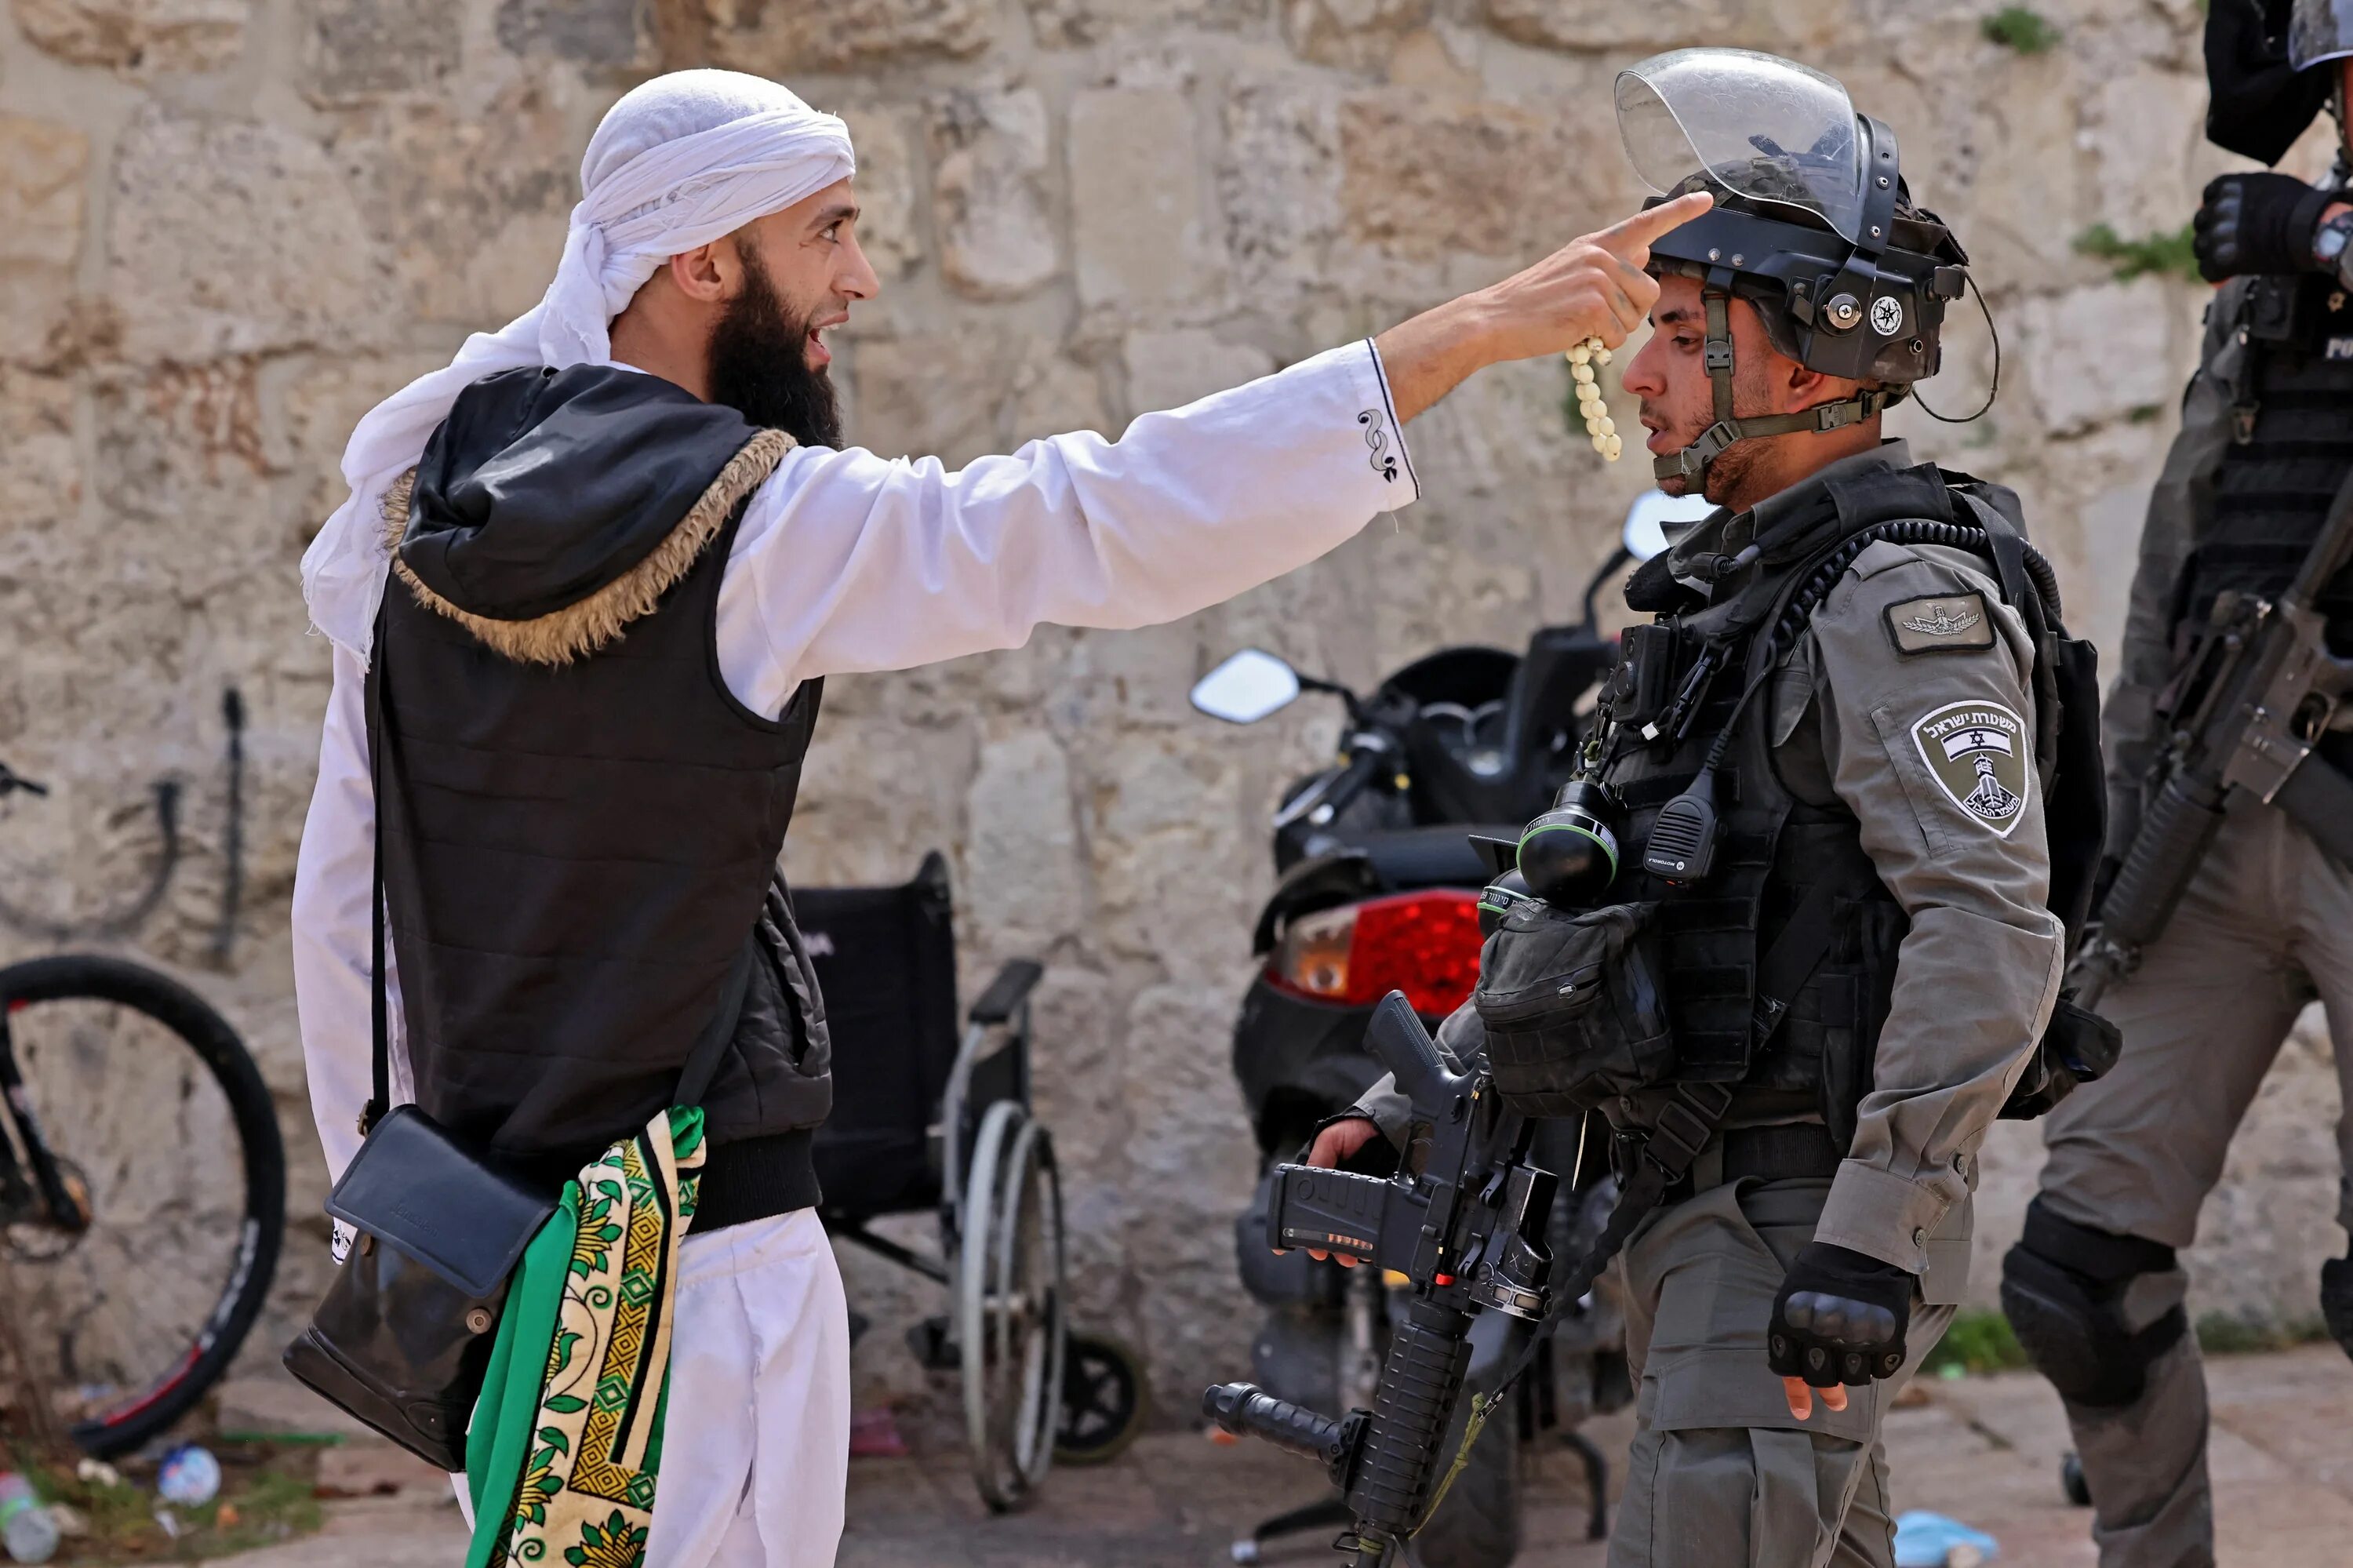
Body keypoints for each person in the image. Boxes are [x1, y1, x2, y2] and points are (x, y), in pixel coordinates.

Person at [286, 67, 1710, 1568]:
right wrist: (1461, 338)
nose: (861, 277)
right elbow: (1089, 516)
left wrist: (383, 1210)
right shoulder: (757, 521)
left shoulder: (419, 510)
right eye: (826, 233)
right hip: (701, 1275)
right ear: (704, 262)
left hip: (482, 1257)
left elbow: (349, 908)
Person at [1307, 49, 2090, 1567]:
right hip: (1703, 1212)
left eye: (1679, 333)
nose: (1637, 373)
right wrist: (1415, 1100)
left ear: (1808, 362)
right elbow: (1591, 911)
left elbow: (1992, 929)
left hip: (1795, 1221)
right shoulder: (1737, 601)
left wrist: (1876, 1231)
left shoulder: (1897, 600)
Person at [2002, 5, 2353, 1564]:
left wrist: (2331, 230)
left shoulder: (2318, 232)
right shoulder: (2294, 272)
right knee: (2079, 1274)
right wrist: (2124, 796)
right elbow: (2190, 530)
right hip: (2219, 811)